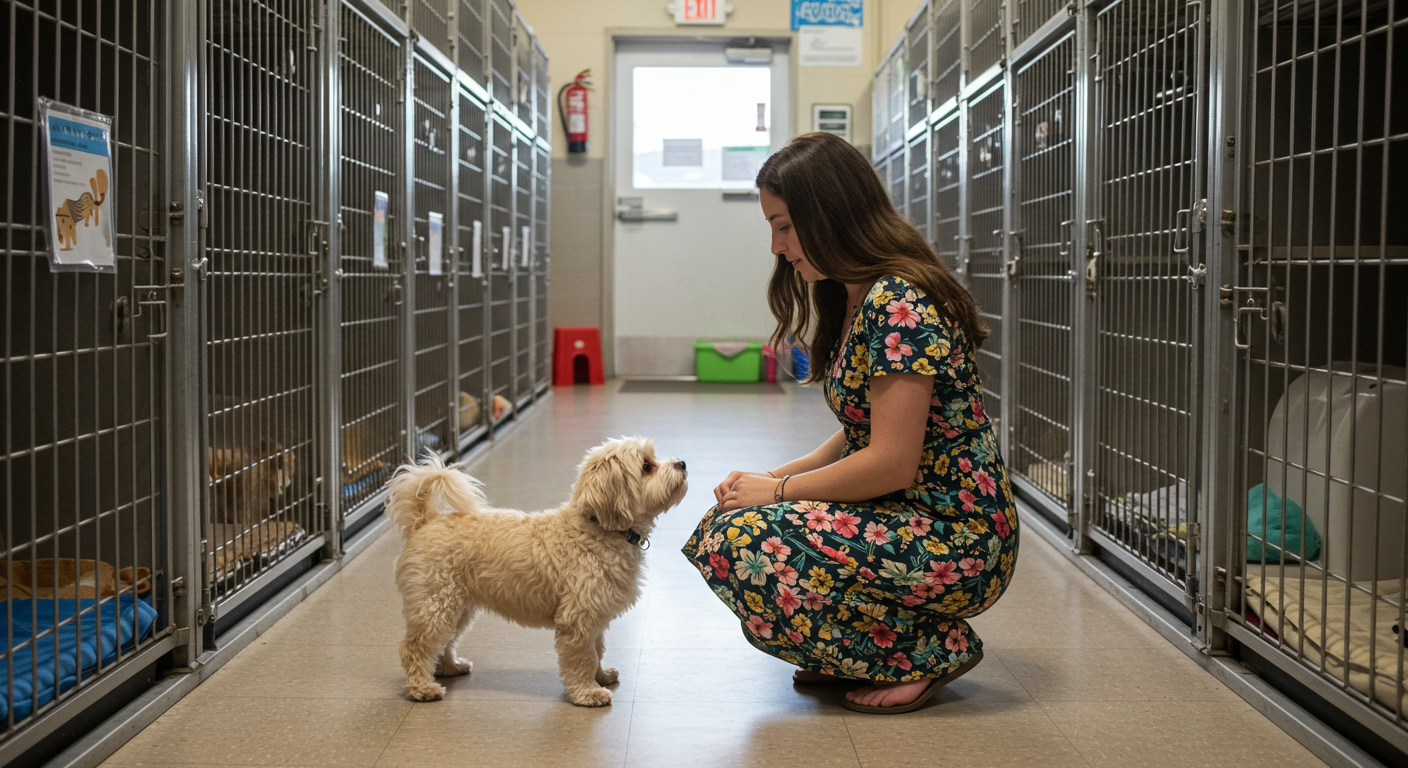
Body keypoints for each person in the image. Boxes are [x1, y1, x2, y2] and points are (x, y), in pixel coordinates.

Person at [681, 132, 1020, 714]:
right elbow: (862, 427)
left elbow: (889, 460)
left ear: (828, 214)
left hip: (958, 538)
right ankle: (857, 648)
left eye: (784, 225)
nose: (776, 246)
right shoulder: (859, 294)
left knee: (745, 543)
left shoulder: (897, 302)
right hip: (908, 513)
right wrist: (772, 478)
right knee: (728, 522)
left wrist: (780, 492)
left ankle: (926, 650)